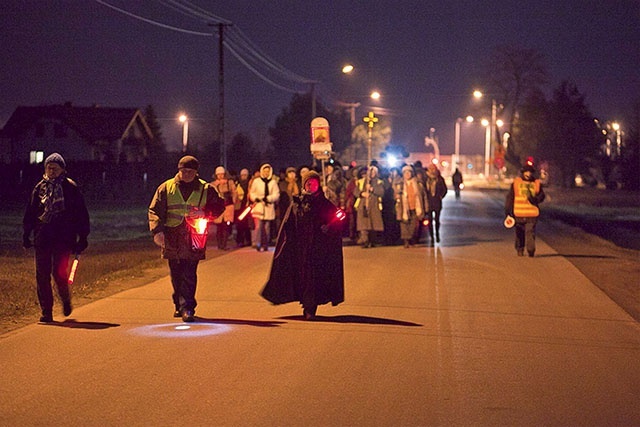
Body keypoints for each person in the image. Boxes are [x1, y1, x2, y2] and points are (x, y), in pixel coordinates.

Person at [148, 155, 224, 322]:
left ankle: (188, 307)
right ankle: (178, 304)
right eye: (183, 171)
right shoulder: (166, 188)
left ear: (196, 172)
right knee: (175, 272)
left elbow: (219, 206)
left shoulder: (206, 188)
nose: (186, 174)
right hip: (171, 235)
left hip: (194, 235)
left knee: (189, 271)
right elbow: (154, 211)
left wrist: (205, 213)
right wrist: (157, 231)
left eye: (190, 171)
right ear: (178, 170)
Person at [261, 170, 345, 320]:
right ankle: (305, 304)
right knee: (301, 278)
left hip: (318, 249)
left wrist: (329, 226)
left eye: (314, 183)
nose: (311, 185)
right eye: (308, 183)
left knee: (313, 279)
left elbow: (338, 218)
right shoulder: (297, 203)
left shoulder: (324, 204)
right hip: (300, 249)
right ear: (304, 184)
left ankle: (310, 309)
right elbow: (288, 224)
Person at [23, 153, 90, 323]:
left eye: (55, 167)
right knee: (42, 275)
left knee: (59, 273)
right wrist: (26, 233)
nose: (51, 170)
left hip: (63, 238)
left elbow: (81, 213)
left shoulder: (70, 188)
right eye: (49, 167)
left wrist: (82, 237)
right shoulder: (39, 188)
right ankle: (47, 311)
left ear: (62, 170)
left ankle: (65, 299)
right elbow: (31, 212)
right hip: (43, 238)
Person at [505, 162, 546, 257]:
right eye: (526, 172)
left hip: (532, 214)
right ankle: (520, 248)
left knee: (530, 232)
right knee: (519, 233)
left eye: (530, 172)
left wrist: (534, 199)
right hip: (518, 213)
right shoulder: (516, 183)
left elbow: (542, 197)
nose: (528, 174)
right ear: (523, 173)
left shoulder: (536, 183)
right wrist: (508, 212)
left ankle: (531, 250)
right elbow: (510, 198)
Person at [249, 163, 280, 252]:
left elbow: (276, 194)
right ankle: (257, 243)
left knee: (267, 228)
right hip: (258, 207)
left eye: (268, 171)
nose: (266, 173)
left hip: (268, 207)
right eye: (265, 171)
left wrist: (269, 198)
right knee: (258, 226)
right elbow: (252, 193)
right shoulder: (256, 181)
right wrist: (256, 198)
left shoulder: (273, 182)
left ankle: (265, 243)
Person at [395, 165, 427, 248]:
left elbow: (423, 196)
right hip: (404, 208)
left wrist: (426, 207)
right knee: (404, 224)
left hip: (415, 207)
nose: (407, 174)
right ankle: (406, 240)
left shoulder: (418, 184)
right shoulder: (400, 184)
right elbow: (395, 194)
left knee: (413, 225)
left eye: (409, 172)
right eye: (405, 173)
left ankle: (411, 238)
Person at [354, 165, 385, 248]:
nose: (372, 174)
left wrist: (372, 189)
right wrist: (362, 194)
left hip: (374, 205)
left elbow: (381, 192)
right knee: (363, 223)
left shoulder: (379, 182)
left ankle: (373, 240)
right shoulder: (361, 182)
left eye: (374, 172)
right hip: (363, 205)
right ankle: (365, 240)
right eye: (370, 172)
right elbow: (356, 191)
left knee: (373, 224)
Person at [210, 166, 237, 250]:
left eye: (222, 174)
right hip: (218, 207)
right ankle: (219, 244)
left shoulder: (230, 182)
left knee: (225, 226)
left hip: (228, 207)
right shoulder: (213, 184)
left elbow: (234, 193)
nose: (221, 176)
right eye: (219, 174)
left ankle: (224, 245)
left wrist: (233, 201)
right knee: (219, 226)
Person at [425, 163, 448, 244]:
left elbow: (445, 189)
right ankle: (432, 237)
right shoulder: (426, 179)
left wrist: (441, 196)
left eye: (433, 168)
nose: (432, 170)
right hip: (428, 203)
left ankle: (437, 234)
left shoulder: (440, 179)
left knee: (437, 220)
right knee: (429, 221)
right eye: (430, 168)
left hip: (437, 202)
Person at [234, 168, 252, 248]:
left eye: (245, 175)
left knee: (247, 225)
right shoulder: (237, 184)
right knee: (239, 225)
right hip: (239, 207)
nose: (244, 177)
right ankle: (240, 241)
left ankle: (248, 240)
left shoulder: (250, 184)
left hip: (247, 207)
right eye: (242, 175)